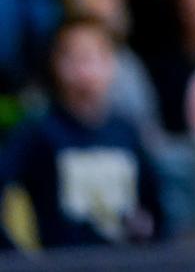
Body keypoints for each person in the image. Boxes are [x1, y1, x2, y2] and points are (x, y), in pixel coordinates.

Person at [0, 16, 165, 249]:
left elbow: (154, 207)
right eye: (73, 58)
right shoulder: (39, 131)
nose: (84, 68)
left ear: (112, 64)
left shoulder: (127, 132)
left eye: (93, 57)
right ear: (55, 63)